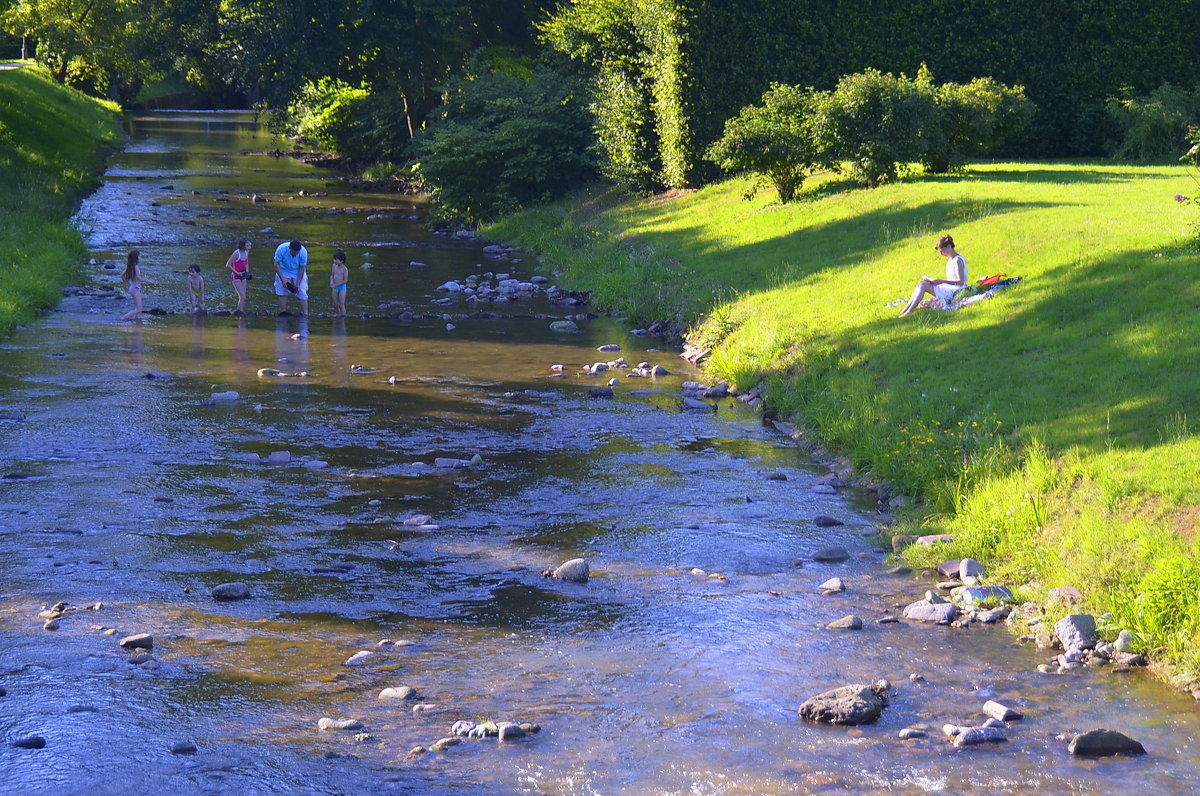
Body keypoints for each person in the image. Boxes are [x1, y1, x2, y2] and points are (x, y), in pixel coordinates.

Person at [899, 234, 968, 317]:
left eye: (942, 251)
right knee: (921, 283)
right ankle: (905, 310)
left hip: (955, 291)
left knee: (923, 285)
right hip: (949, 288)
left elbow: (960, 282)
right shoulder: (951, 260)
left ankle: (909, 311)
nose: (941, 254)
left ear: (949, 246)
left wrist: (942, 281)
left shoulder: (957, 260)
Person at [273, 239, 309, 316]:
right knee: (282, 291)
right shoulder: (281, 249)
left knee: (302, 291)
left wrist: (298, 284)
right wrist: (283, 280)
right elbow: (276, 264)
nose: (296, 254)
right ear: (290, 249)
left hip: (297, 270)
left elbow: (302, 268)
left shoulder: (303, 252)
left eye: (297, 252)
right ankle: (283, 312)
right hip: (283, 269)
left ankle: (305, 314)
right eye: (294, 252)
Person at [120, 250, 155, 321]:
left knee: (139, 310)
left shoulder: (131, 266)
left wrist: (125, 286)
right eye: (139, 256)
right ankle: (121, 318)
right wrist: (149, 281)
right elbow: (139, 278)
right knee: (139, 309)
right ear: (136, 258)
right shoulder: (135, 267)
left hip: (133, 288)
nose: (140, 257)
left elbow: (122, 275)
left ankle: (138, 324)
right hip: (135, 289)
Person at [225, 238, 251, 316]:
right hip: (236, 276)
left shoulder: (246, 252)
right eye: (248, 245)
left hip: (243, 275)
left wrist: (247, 272)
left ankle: (240, 311)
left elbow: (246, 263)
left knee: (243, 296)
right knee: (242, 296)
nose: (250, 247)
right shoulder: (236, 253)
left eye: (250, 245)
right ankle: (239, 313)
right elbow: (228, 265)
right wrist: (237, 273)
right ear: (243, 246)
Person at [330, 248, 348, 317]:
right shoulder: (334, 266)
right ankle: (338, 315)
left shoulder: (345, 269)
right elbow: (332, 275)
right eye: (334, 259)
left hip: (342, 288)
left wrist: (336, 284)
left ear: (341, 261)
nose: (334, 261)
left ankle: (343, 317)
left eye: (336, 259)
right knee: (335, 304)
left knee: (341, 304)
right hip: (334, 287)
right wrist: (331, 282)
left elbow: (345, 280)